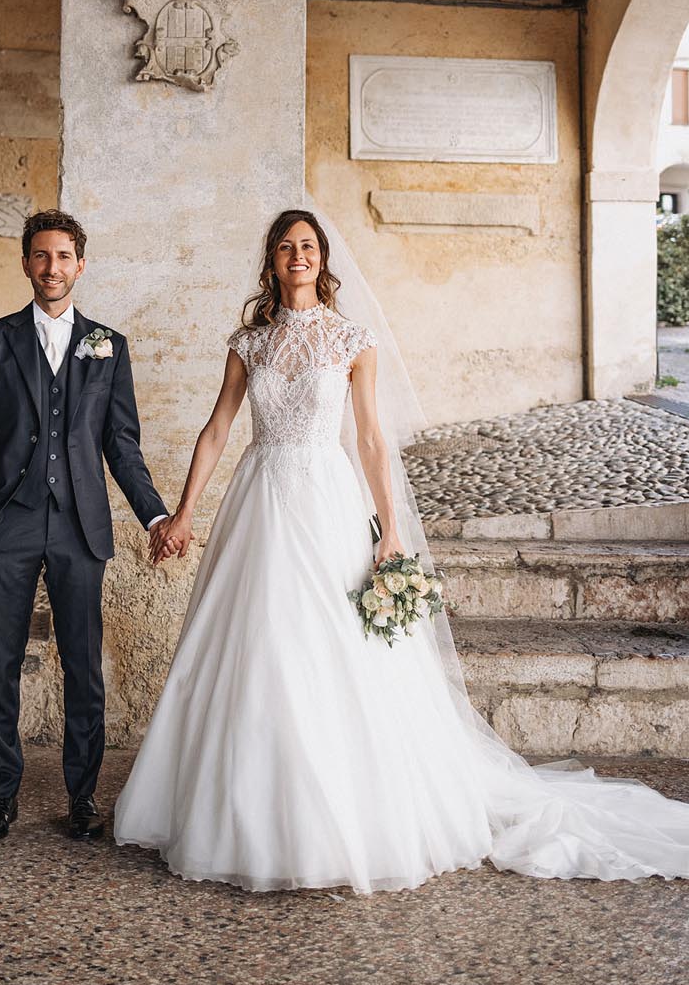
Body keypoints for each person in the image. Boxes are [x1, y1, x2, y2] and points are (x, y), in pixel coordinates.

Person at [114, 207, 689, 892]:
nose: (297, 255)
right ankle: (248, 812)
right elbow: (215, 431)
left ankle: (343, 816)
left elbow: (371, 441)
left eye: (307, 245)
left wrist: (389, 528)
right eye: (285, 246)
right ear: (270, 261)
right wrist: (181, 512)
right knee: (261, 640)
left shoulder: (354, 341)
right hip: (261, 498)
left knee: (333, 647)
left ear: (323, 260)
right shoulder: (249, 344)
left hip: (327, 499)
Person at [0, 208, 170, 843]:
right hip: (8, 524)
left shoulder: (108, 345)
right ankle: (0, 798)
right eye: (41, 256)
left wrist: (154, 512)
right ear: (27, 263)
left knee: (83, 665)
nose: (53, 268)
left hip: (81, 526)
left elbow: (121, 446)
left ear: (80, 264)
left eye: (64, 257)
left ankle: (82, 796)